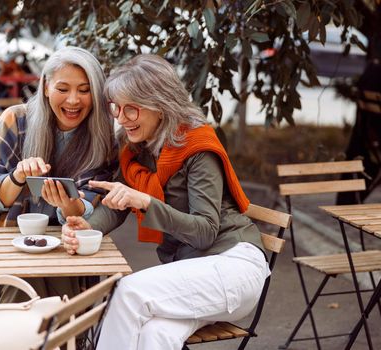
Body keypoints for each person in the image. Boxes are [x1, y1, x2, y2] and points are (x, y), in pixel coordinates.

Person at [61, 54, 269, 350]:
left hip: (232, 267)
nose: (121, 118)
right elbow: (118, 204)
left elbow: (206, 231)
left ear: (159, 103)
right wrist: (88, 227)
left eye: (131, 109)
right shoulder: (137, 149)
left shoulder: (196, 147)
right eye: (116, 108)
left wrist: (146, 202)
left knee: (127, 292)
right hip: (193, 275)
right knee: (155, 335)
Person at [0, 46, 116, 307]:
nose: (73, 100)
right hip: (5, 240)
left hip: (66, 246)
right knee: (18, 290)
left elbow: (90, 202)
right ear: (45, 87)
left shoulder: (102, 138)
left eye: (84, 90)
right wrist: (17, 177)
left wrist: (68, 205)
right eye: (62, 89)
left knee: (62, 303)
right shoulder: (16, 120)